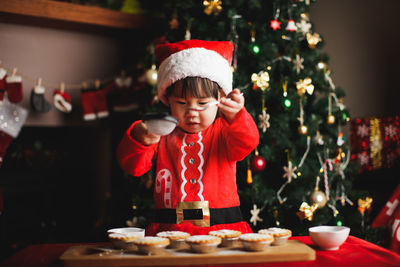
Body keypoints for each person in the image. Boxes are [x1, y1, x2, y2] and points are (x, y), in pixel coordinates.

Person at [116, 39, 259, 236]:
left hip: (224, 232)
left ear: (219, 100)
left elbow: (247, 142)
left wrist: (237, 117)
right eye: (182, 102)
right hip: (168, 233)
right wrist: (140, 139)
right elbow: (133, 167)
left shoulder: (225, 131)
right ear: (168, 101)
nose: (192, 112)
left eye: (202, 103)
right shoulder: (160, 132)